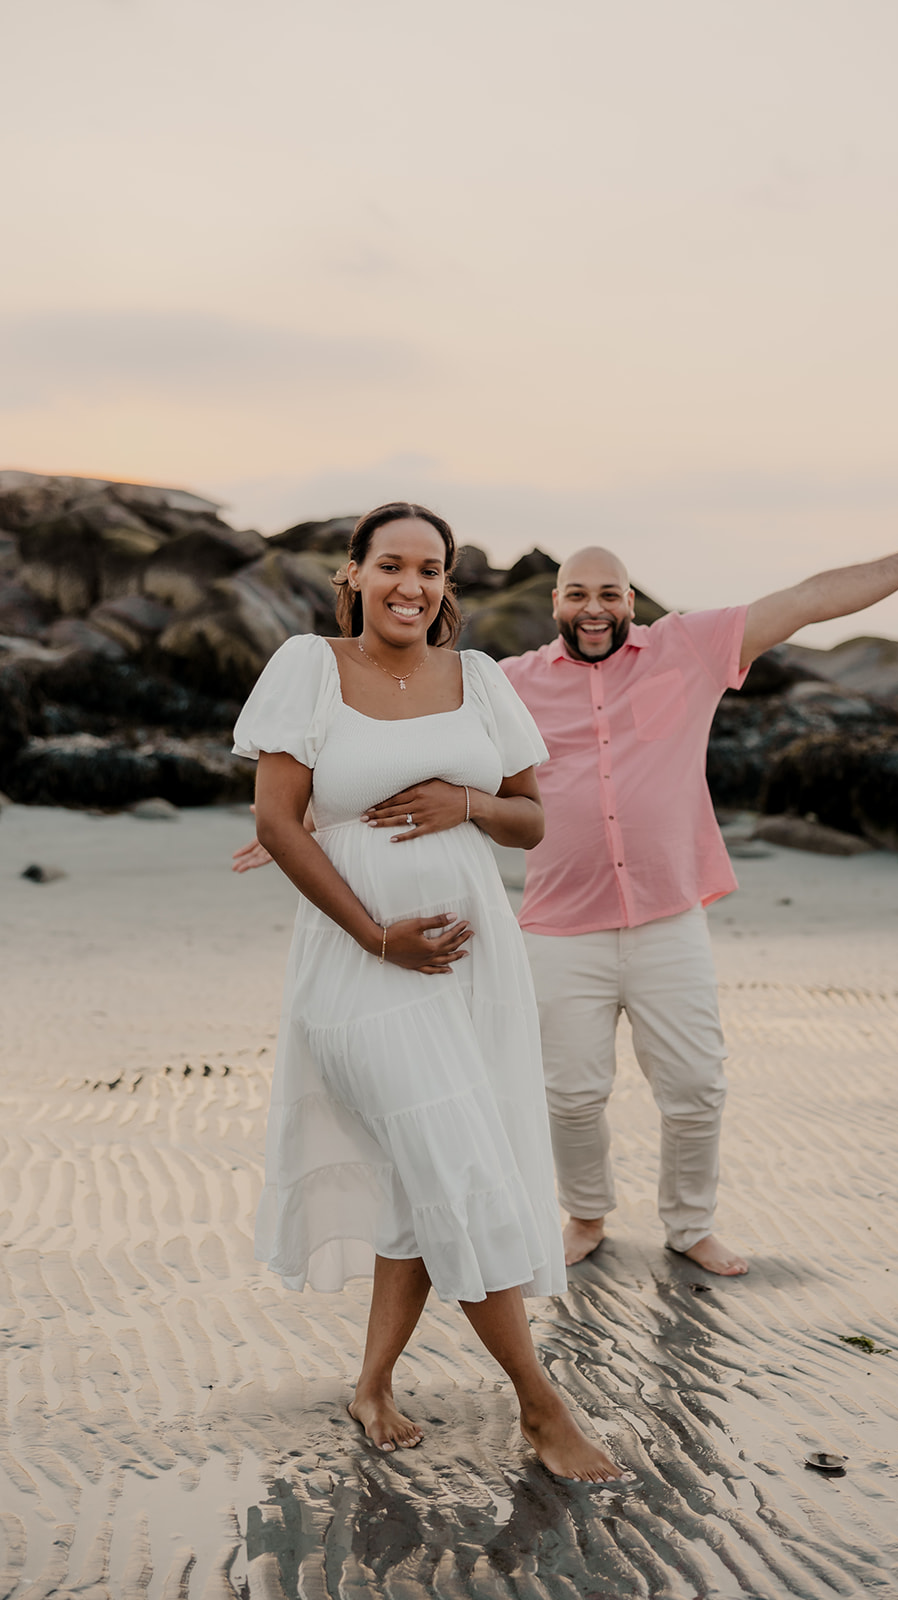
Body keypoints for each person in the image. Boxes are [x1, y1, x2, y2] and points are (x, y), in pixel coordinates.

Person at [497, 495, 898, 1276]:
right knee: (568, 1095)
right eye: (576, 593)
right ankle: (586, 1214)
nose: (593, 607)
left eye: (608, 593)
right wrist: (301, 814)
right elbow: (418, 737)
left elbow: (804, 600)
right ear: (555, 603)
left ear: (631, 602)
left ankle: (689, 1225)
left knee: (696, 1088)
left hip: (668, 917)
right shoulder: (510, 683)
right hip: (559, 928)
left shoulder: (687, 648)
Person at [232, 501, 626, 1482]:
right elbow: (280, 823)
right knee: (456, 1164)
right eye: (392, 565)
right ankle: (540, 1407)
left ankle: (369, 1386)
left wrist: (467, 802)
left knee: (425, 1174)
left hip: (470, 963)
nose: (412, 585)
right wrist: (375, 934)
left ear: (447, 584)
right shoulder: (306, 666)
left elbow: (531, 819)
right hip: (356, 964)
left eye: (431, 569)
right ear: (353, 575)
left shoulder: (480, 679)